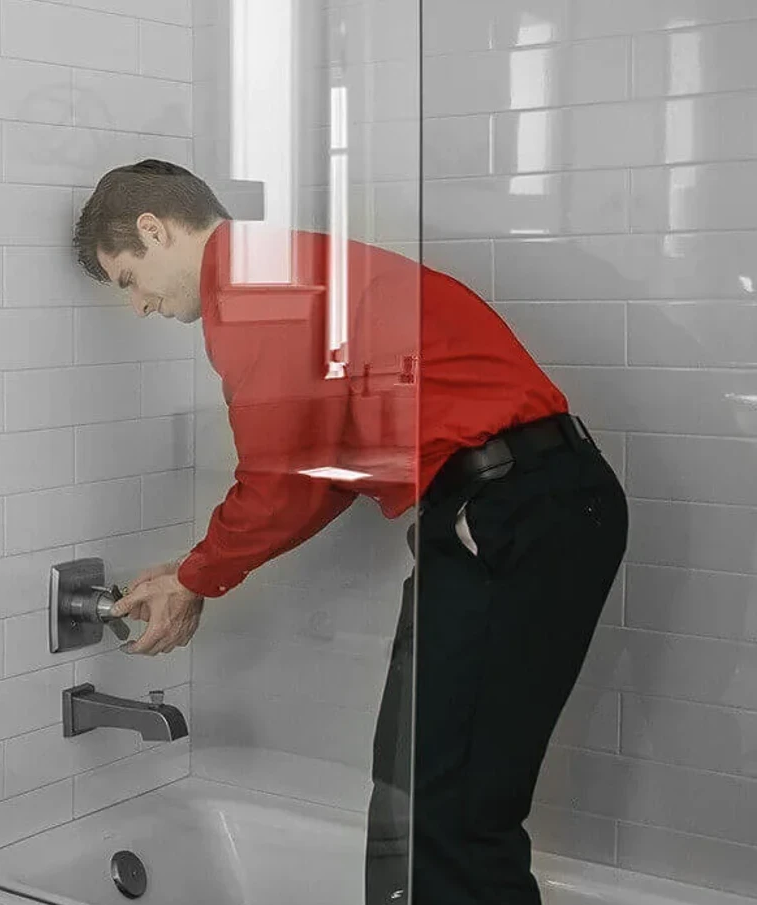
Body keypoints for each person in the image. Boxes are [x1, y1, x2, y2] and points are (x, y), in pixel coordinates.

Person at [73, 160, 628, 905]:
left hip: (510, 512)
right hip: (538, 506)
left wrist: (196, 576)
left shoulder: (249, 289)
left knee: (441, 812)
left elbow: (281, 475)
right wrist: (197, 571)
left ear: (154, 229)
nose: (137, 305)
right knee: (446, 805)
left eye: (127, 280)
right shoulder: (290, 266)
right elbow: (321, 472)